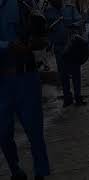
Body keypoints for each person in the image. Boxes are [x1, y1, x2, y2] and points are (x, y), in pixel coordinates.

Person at [0, 0, 50, 179]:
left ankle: (41, 172)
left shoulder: (22, 4)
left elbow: (42, 35)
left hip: (26, 77)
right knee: (3, 133)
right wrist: (8, 46)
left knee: (34, 129)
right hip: (2, 82)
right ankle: (15, 170)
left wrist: (36, 42)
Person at [45, 0, 86, 107]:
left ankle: (78, 97)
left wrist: (73, 26)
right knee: (63, 74)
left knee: (75, 72)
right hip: (59, 48)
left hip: (72, 47)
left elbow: (80, 21)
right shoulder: (48, 12)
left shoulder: (70, 9)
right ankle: (67, 97)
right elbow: (46, 30)